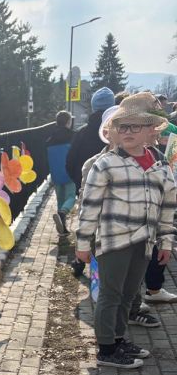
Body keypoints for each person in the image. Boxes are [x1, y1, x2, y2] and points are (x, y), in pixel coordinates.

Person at [75, 92, 177, 369]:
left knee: (129, 294)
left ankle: (118, 339)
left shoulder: (159, 163)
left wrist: (166, 242)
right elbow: (90, 207)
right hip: (114, 241)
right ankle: (106, 348)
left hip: (144, 241)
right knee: (111, 294)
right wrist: (83, 243)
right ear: (114, 131)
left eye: (135, 126)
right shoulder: (105, 164)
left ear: (151, 129)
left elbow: (167, 205)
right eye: (122, 126)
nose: (128, 132)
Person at [67, 88, 115, 276]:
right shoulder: (117, 134)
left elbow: (70, 162)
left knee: (86, 223)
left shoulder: (82, 133)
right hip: (113, 195)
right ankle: (102, 274)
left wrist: (79, 183)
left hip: (85, 187)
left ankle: (80, 261)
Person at [46, 110, 75, 235]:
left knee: (60, 199)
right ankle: (63, 213)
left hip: (56, 174)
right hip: (69, 172)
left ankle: (63, 229)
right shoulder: (73, 136)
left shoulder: (50, 138)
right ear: (68, 122)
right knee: (71, 197)